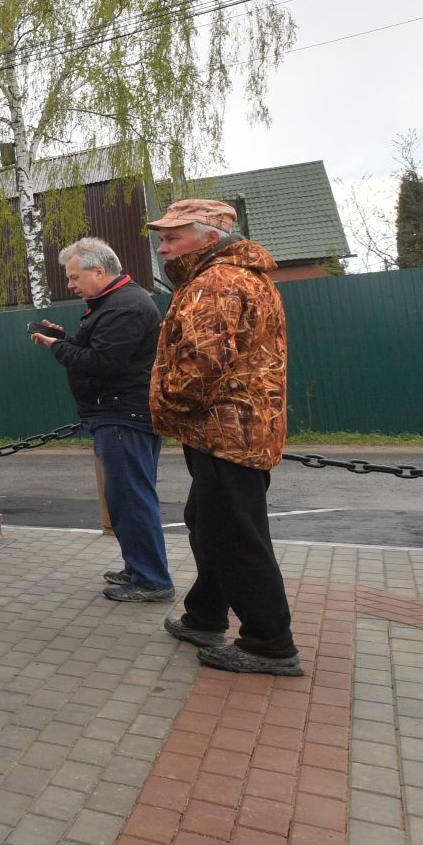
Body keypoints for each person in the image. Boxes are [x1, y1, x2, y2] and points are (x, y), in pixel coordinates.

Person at [146, 198, 301, 676]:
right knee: (208, 521)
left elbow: (200, 367)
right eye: (162, 239)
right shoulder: (241, 277)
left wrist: (163, 405)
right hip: (235, 430)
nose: (163, 248)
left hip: (225, 432)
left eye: (173, 238)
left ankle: (269, 643)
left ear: (209, 239)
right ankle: (205, 615)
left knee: (234, 535)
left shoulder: (215, 283)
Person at [31, 237, 168, 602]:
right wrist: (63, 338)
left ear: (99, 271)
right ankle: (139, 568)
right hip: (121, 414)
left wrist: (55, 346)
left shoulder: (123, 306)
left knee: (131, 500)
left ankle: (152, 581)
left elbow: (104, 363)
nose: (71, 285)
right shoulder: (114, 302)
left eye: (75, 277)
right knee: (126, 499)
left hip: (124, 416)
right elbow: (98, 349)